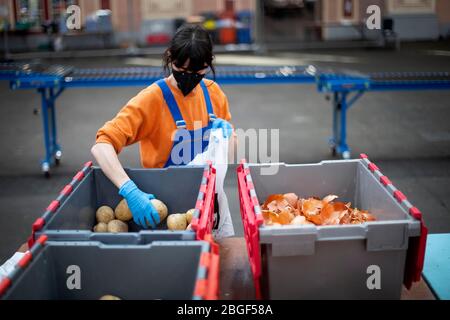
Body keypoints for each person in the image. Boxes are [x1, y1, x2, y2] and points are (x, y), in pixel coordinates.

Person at [91, 24, 234, 230]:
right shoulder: (152, 100)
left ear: (209, 63)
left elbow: (229, 156)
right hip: (162, 212)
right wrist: (128, 189)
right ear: (169, 57)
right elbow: (102, 144)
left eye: (197, 71)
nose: (189, 76)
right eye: (181, 69)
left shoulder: (214, 94)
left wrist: (227, 138)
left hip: (204, 209)